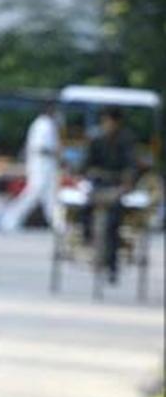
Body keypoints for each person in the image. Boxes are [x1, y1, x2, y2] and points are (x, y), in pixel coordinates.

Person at [81, 107, 136, 283]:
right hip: (98, 183)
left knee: (114, 223)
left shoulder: (126, 140)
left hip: (116, 186)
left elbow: (131, 165)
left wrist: (127, 182)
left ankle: (112, 267)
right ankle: (88, 242)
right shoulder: (96, 139)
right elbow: (85, 165)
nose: (108, 125)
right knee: (85, 210)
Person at [0, 102, 59, 232]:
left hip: (48, 163)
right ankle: (9, 221)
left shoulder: (49, 124)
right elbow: (40, 147)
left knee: (50, 196)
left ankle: (58, 224)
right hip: (40, 163)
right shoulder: (42, 124)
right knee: (34, 192)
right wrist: (56, 153)